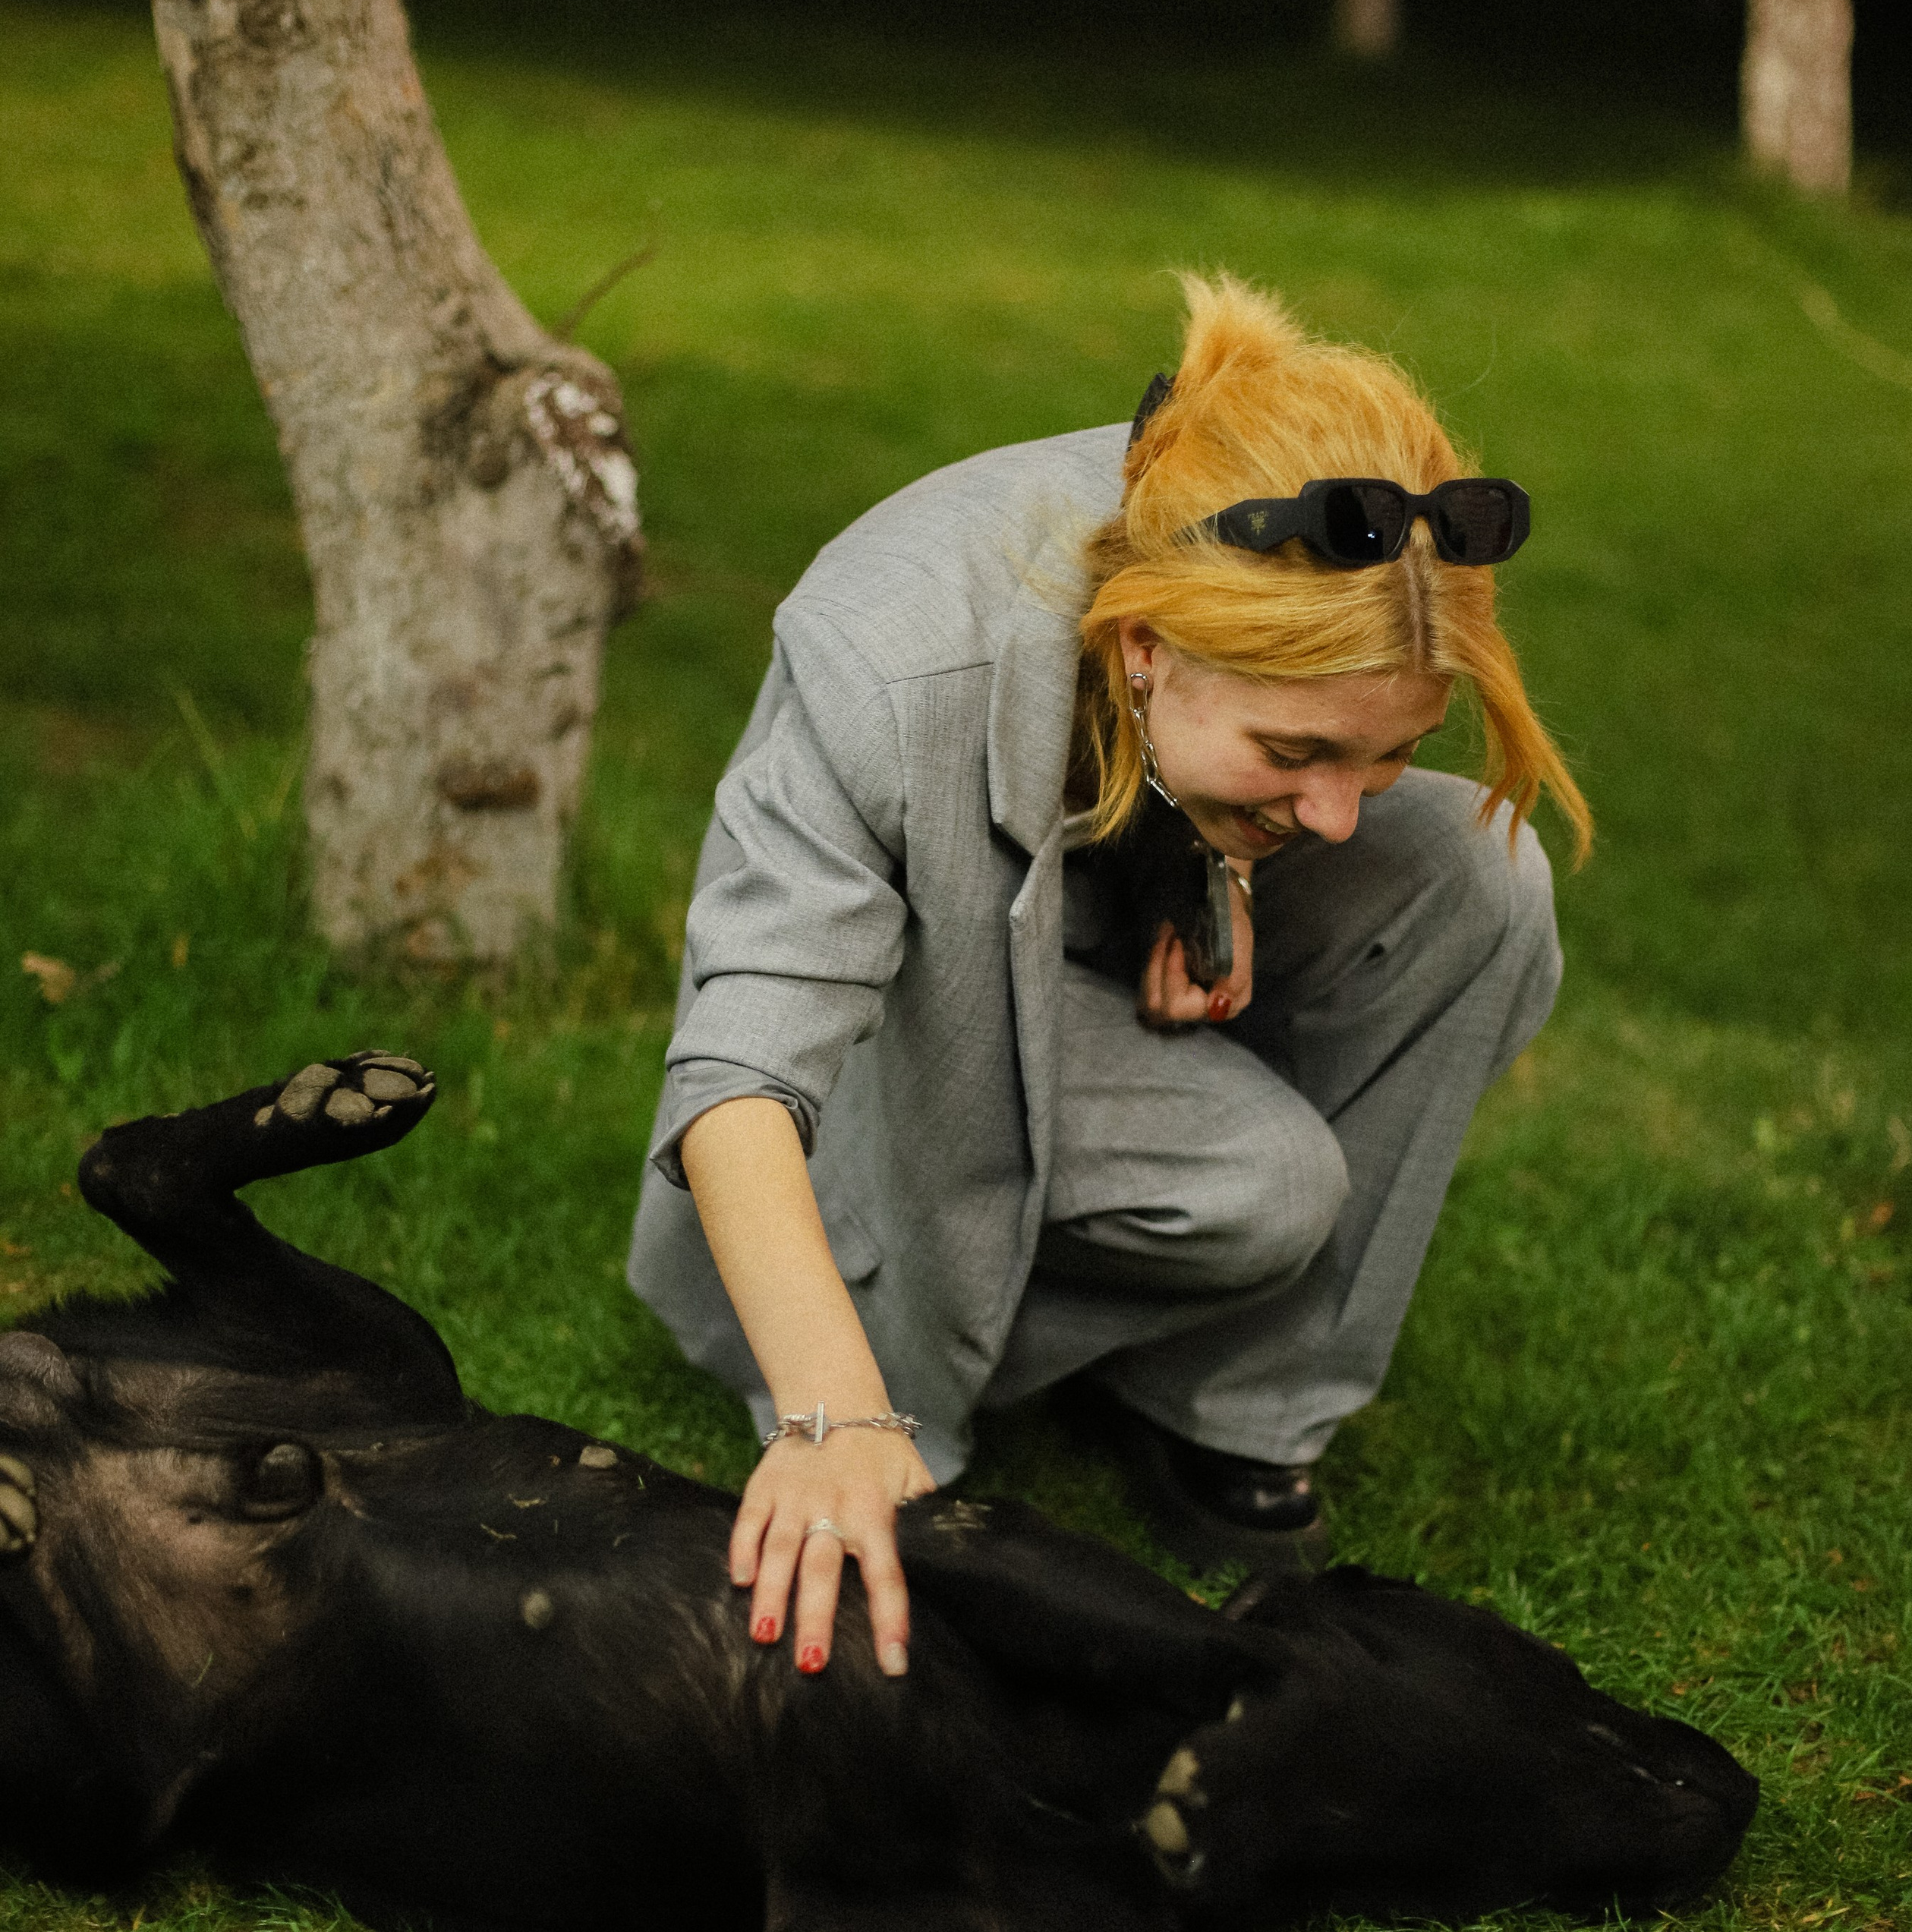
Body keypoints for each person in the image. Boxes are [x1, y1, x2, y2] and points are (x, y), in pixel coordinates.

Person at [628, 277, 1590, 1683]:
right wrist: (835, 1415)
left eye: (1384, 755)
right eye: (1297, 755)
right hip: (915, 1020)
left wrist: (1215, 866)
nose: (1341, 815)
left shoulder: (1232, 516)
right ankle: (924, 1342)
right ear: (1148, 648)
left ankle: (1230, 1411)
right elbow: (741, 1067)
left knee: (1486, 879)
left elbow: (1186, 765)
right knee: (1269, 1188)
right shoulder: (887, 655)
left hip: (1090, 937)